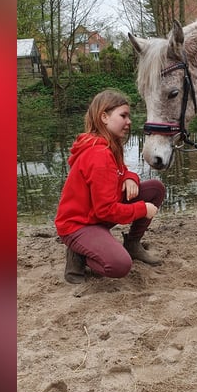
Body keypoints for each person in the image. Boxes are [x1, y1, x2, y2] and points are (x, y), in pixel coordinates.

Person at [55, 89, 166, 285]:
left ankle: (132, 244)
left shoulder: (109, 145)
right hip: (78, 224)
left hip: (95, 215)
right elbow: (106, 210)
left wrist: (130, 177)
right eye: (123, 115)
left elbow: (121, 170)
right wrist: (142, 209)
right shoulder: (98, 154)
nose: (129, 121)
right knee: (119, 265)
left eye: (129, 116)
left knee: (155, 189)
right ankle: (79, 253)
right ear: (104, 117)